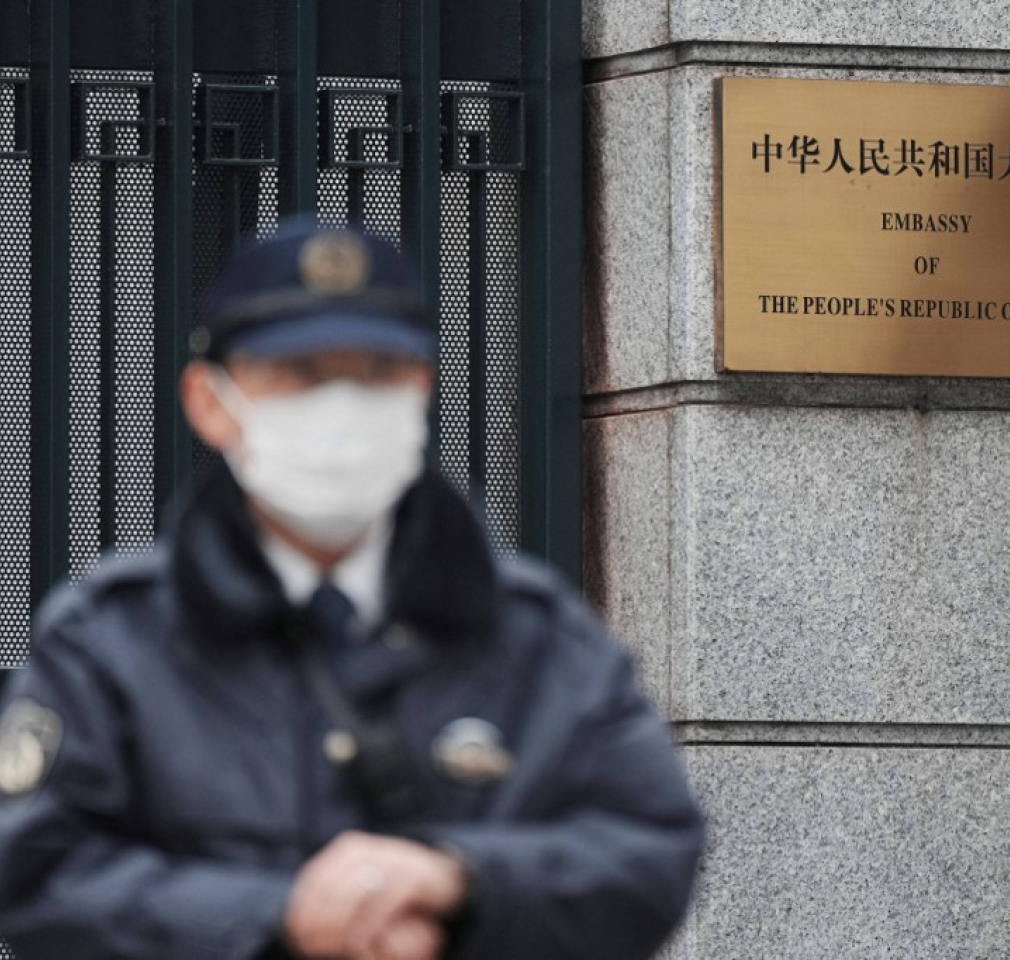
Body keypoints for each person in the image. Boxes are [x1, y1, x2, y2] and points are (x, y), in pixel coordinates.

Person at [0, 219, 704, 959]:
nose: (340, 405)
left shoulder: (533, 632)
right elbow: (36, 872)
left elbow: (650, 848)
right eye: (299, 372)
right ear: (211, 402)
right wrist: (280, 916)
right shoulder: (111, 639)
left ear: (422, 388)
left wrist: (459, 877)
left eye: (376, 371)